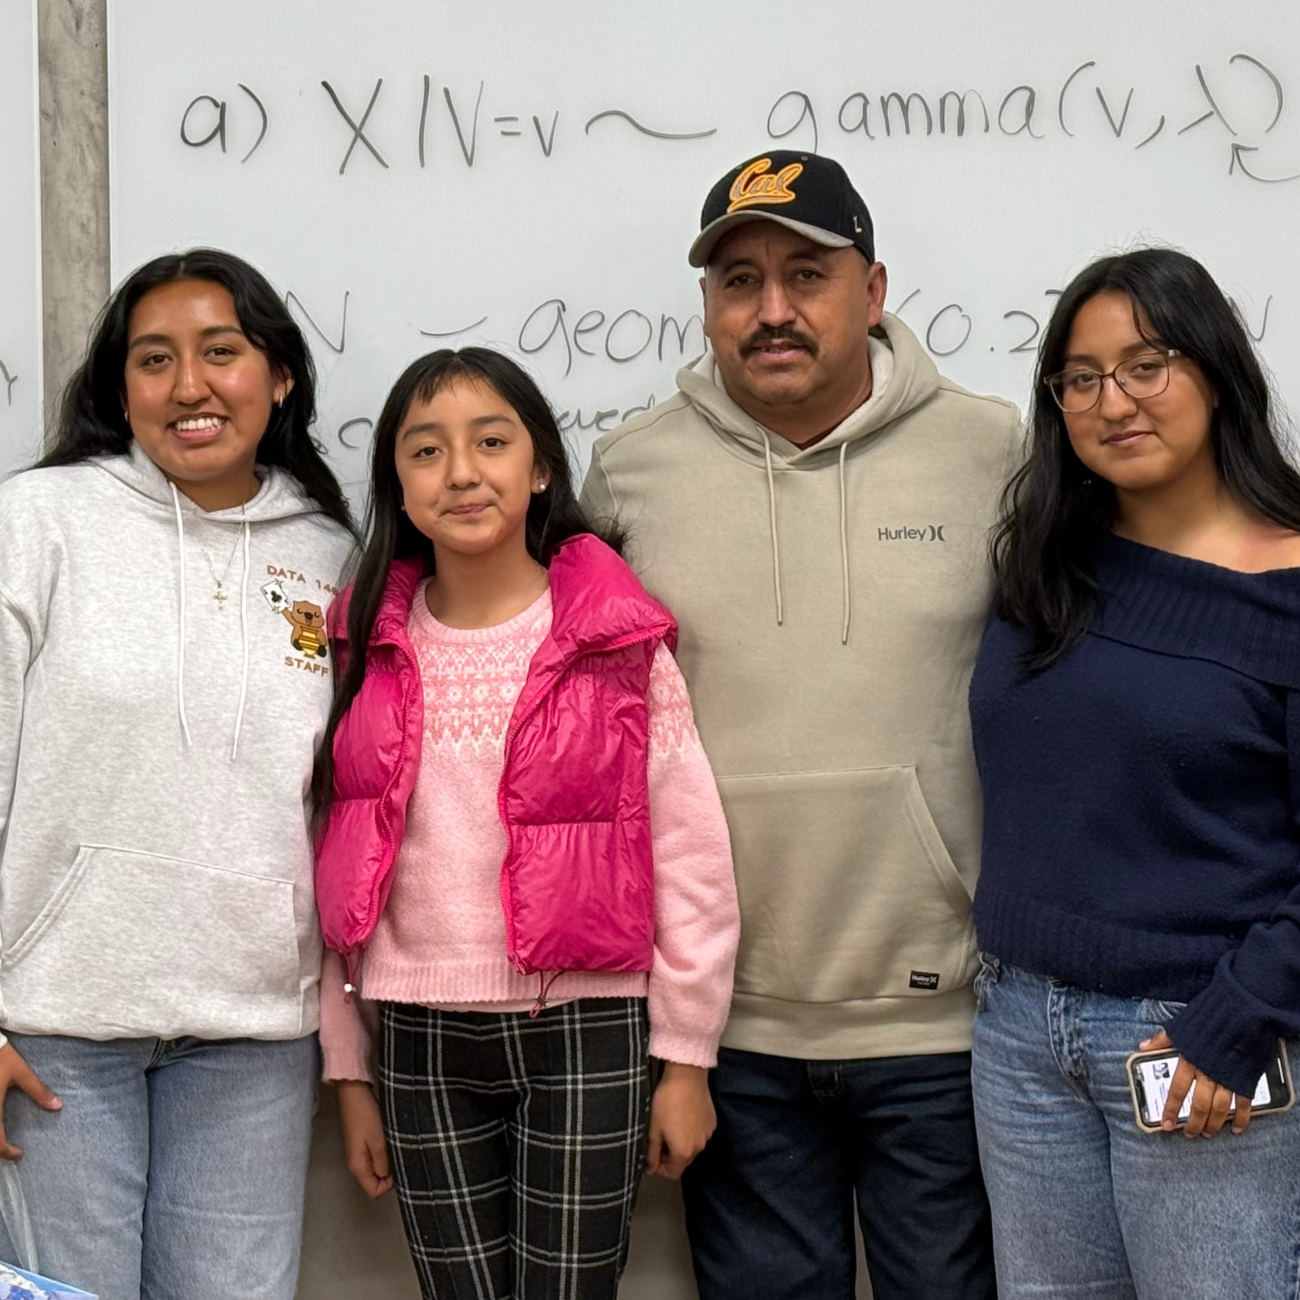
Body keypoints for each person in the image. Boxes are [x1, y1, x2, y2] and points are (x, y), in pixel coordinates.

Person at [579, 151, 1017, 1300]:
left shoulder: (999, 457)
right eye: (738, 279)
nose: (771, 309)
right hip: (730, 1033)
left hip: (948, 1027)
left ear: (871, 292)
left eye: (806, 274)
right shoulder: (629, 473)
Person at [312, 347, 739, 1300]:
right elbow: (338, 862)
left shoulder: (613, 642)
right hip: (418, 1037)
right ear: (397, 483)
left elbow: (691, 857)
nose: (461, 472)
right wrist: (350, 1074)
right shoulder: (367, 647)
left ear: (540, 466)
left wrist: (685, 1061)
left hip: (588, 1026)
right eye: (426, 452)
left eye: (491, 442)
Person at [0, 249, 356, 1298]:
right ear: (120, 387)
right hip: (57, 1029)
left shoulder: (334, 556)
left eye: (221, 352)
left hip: (251, 1038)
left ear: (279, 376)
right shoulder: (39, 523)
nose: (190, 386)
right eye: (155, 359)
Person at [969, 247, 1300, 1298]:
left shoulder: (1289, 588)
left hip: (1200, 1039)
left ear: (1215, 370)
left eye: (1147, 364)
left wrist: (1237, 1017)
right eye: (1081, 376)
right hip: (1020, 1038)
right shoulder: (1046, 565)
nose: (1113, 400)